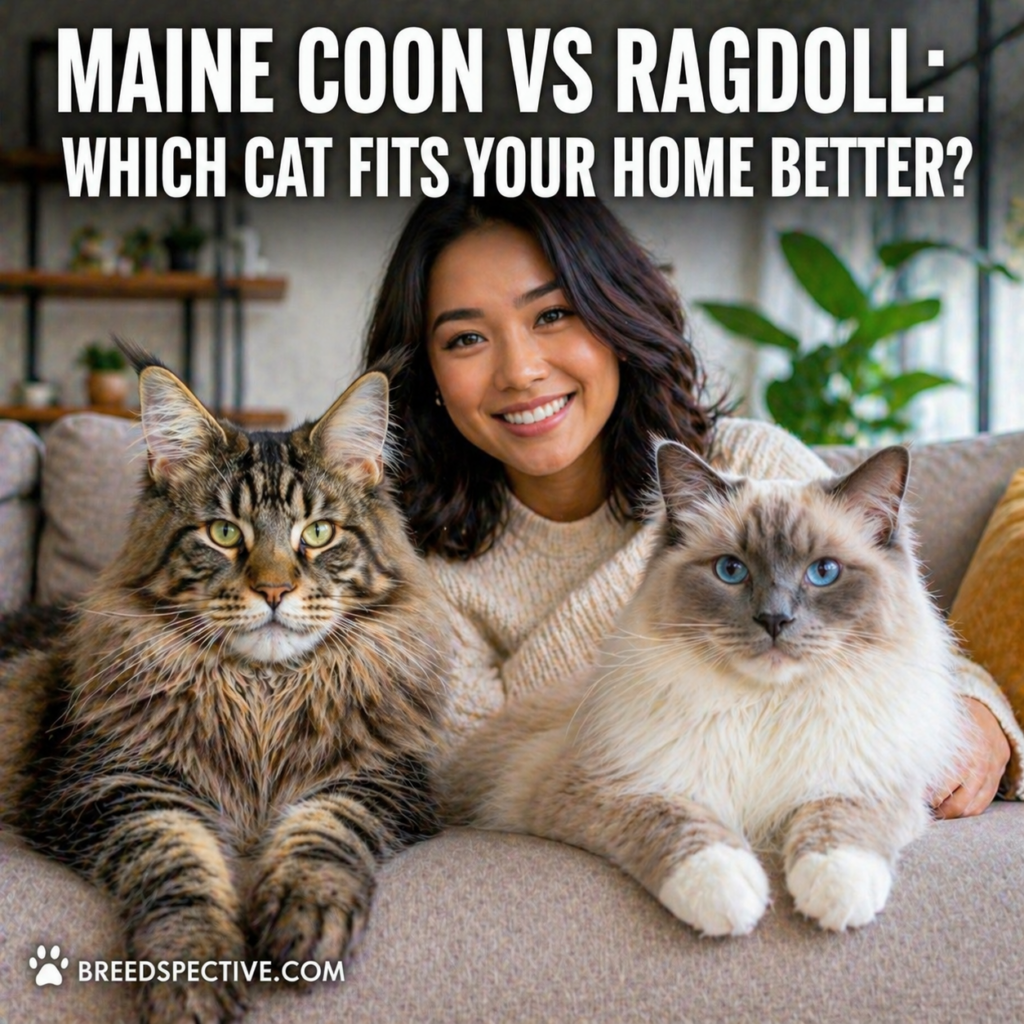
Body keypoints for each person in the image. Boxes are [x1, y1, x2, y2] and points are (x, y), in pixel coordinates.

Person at [361, 181, 1022, 819]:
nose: (520, 370)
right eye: (466, 339)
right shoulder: (402, 562)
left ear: (615, 315)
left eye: (553, 315)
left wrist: (979, 712)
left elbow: (896, 637)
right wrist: (664, 576)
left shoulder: (753, 467)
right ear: (427, 372)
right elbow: (469, 769)